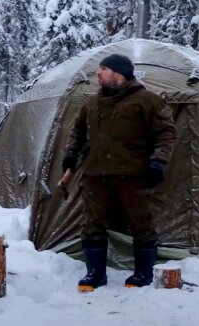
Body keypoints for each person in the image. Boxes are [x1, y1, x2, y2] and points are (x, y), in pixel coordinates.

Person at [62, 54, 176, 292]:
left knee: (141, 224)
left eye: (103, 69)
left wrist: (158, 162)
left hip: (133, 175)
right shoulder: (92, 103)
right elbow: (77, 132)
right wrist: (70, 156)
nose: (98, 74)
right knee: (92, 224)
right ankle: (95, 275)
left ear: (119, 72)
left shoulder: (148, 100)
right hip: (94, 175)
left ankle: (143, 274)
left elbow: (166, 134)